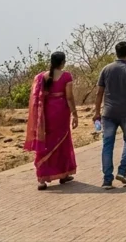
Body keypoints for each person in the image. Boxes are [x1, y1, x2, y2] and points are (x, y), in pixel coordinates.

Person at [93, 41, 126, 190]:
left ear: (116, 52)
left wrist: (97, 111)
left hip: (108, 113)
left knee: (107, 144)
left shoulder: (106, 69)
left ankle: (107, 179)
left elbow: (99, 93)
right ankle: (122, 171)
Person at [23, 51, 78, 190]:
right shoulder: (66, 76)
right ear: (62, 62)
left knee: (45, 141)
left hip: (46, 112)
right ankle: (63, 174)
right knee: (62, 141)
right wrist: (75, 113)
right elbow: (69, 97)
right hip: (61, 111)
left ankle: (42, 179)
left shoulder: (42, 76)